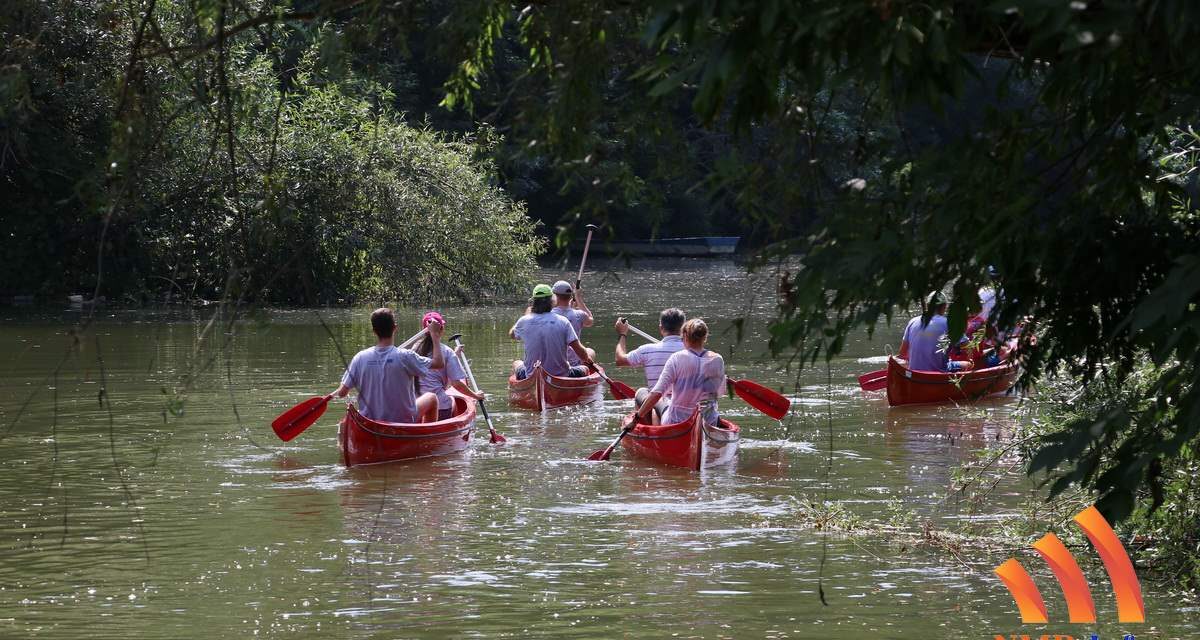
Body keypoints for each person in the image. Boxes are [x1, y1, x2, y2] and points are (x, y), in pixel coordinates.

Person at [333, 308, 445, 423]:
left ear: (374, 331)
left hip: (369, 422)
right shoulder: (406, 356)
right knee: (432, 398)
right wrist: (435, 336)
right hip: (403, 421)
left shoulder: (360, 358)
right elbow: (439, 363)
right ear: (395, 328)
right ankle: (423, 438)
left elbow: (342, 393)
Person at [634, 319, 725, 427]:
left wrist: (635, 419)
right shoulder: (718, 359)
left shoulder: (677, 358)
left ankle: (655, 434)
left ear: (685, 337)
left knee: (644, 394)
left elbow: (657, 393)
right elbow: (719, 392)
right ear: (705, 337)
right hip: (709, 422)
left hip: (676, 421)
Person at [509, 284, 597, 379]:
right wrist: (587, 360)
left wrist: (525, 317)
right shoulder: (563, 321)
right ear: (552, 301)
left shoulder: (523, 321)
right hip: (562, 376)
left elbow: (512, 334)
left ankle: (517, 392)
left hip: (531, 376)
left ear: (533, 302)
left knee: (516, 363)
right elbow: (580, 351)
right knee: (585, 368)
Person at [614, 308, 686, 422]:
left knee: (641, 392)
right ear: (683, 329)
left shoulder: (647, 350)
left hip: (658, 402)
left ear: (661, 328)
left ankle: (646, 426)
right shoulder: (694, 352)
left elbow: (619, 360)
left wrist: (622, 334)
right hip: (686, 403)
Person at [413, 311, 485, 421]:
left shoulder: (414, 349)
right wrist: (475, 396)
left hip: (416, 406)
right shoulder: (447, 351)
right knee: (451, 400)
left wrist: (454, 355)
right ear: (441, 329)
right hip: (439, 408)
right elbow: (456, 384)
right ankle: (451, 428)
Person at [898, 291, 971, 372]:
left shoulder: (912, 322)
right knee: (967, 364)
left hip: (915, 374)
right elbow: (969, 348)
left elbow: (902, 354)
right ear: (945, 306)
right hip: (938, 374)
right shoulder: (949, 324)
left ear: (927, 306)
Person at [551, 280, 596, 366]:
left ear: (555, 296)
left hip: (556, 362)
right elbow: (590, 321)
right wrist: (578, 298)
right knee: (590, 351)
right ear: (570, 296)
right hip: (575, 362)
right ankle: (583, 370)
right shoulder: (579, 314)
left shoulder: (548, 314)